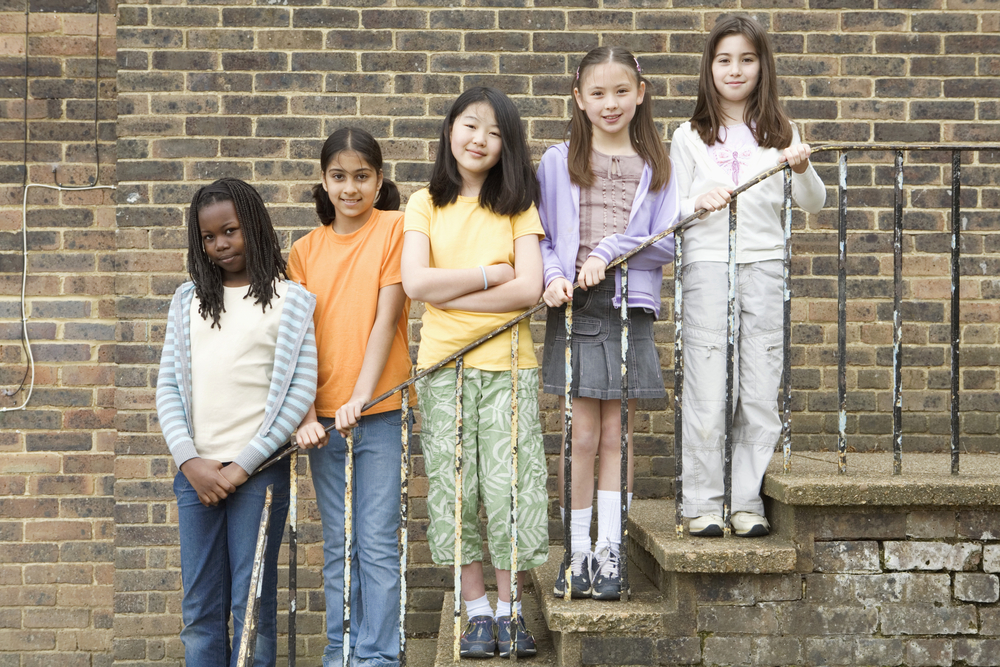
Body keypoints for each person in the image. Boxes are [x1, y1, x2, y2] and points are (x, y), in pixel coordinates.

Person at [401, 87, 548, 659]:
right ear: (449, 130)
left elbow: (531, 289)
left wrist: (452, 292)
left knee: (514, 488)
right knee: (454, 489)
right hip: (441, 370)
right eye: (469, 126)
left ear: (506, 146)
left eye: (493, 132)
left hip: (510, 366)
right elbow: (415, 285)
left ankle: (511, 610)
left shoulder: (518, 205)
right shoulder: (423, 204)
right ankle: (477, 611)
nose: (479, 139)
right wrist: (490, 275)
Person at [669, 15, 825, 538]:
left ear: (763, 66)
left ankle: (746, 501)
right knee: (709, 387)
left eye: (747, 59)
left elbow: (813, 203)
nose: (735, 70)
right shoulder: (689, 135)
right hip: (708, 266)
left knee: (758, 387)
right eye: (724, 59)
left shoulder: (781, 132)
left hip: (763, 264)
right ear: (709, 68)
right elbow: (671, 210)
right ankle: (703, 503)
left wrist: (800, 167)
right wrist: (696, 201)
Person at [156, 177, 318, 667]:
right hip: (195, 476)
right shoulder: (187, 302)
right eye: (208, 237)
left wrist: (242, 465)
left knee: (252, 606)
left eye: (229, 230)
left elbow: (299, 392)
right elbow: (167, 387)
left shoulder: (291, 301)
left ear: (253, 225)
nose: (219, 244)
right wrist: (190, 462)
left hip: (257, 476)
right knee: (200, 608)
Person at [538, 46, 680, 600]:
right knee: (581, 434)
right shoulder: (556, 160)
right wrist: (553, 275)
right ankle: (576, 552)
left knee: (617, 435)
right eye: (597, 93)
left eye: (621, 91)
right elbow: (543, 234)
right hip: (574, 307)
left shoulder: (657, 166)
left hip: (626, 308)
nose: (610, 103)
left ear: (640, 93)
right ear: (579, 98)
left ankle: (610, 549)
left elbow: (666, 241)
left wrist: (608, 251)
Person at [289, 127, 413, 667]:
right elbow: (294, 345)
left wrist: (360, 399)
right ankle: (341, 651)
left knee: (378, 543)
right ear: (324, 181)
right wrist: (301, 415)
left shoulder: (395, 229)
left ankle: (379, 656)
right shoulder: (303, 252)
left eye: (362, 176)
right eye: (339, 176)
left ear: (379, 180)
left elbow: (386, 321)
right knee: (340, 545)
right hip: (322, 420)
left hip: (378, 413)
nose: (350, 188)